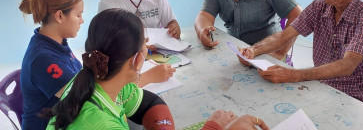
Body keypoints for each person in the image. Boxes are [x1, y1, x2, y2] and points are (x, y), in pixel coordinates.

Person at [44, 9, 269, 130]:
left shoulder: (101, 81)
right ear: (137, 60)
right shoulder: (100, 125)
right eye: (146, 42)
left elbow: (152, 103)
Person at [239, 0, 363, 106]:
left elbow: (348, 64)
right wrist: (253, 50)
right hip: (319, 87)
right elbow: (283, 37)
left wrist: (295, 75)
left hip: (354, 100)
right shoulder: (318, 7)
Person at [97, 0, 178, 87]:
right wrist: (137, 46)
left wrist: (174, 26)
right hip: (126, 62)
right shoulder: (108, 2)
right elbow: (106, 42)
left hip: (157, 54)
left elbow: (170, 22)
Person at [19, 0, 84, 130]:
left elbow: (79, 78)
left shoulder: (54, 42)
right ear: (59, 16)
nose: (82, 21)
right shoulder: (43, 58)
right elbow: (85, 100)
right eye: (78, 15)